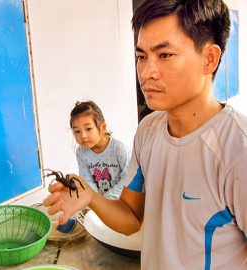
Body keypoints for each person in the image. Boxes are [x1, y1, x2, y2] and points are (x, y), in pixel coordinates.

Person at [44, 0, 247, 269]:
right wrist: (91, 198)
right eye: (141, 56)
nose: (146, 72)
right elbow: (131, 219)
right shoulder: (148, 131)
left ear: (209, 58)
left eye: (164, 55)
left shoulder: (237, 149)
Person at [70, 100, 131, 199]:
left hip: (123, 201)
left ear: (102, 127)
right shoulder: (81, 152)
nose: (83, 136)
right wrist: (96, 201)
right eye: (77, 131)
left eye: (88, 129)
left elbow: (128, 178)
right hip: (101, 202)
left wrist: (105, 199)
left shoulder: (118, 149)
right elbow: (87, 181)